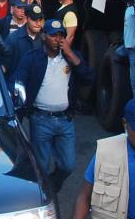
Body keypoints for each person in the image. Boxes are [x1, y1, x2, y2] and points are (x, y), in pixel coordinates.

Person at [14, 18, 92, 193]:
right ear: (43, 37)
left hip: (65, 120)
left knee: (68, 164)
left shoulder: (72, 57)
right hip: (41, 118)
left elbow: (89, 79)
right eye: (53, 36)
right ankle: (41, 195)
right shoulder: (33, 58)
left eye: (61, 36)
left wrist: (72, 55)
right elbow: (19, 82)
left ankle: (51, 187)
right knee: (41, 164)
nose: (58, 40)